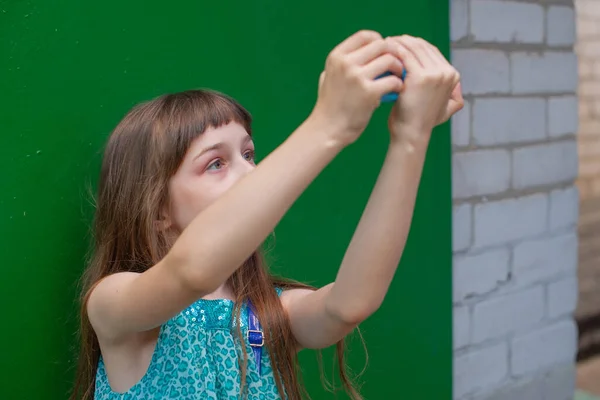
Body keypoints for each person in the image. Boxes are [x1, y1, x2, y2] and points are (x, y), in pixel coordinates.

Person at [70, 30, 463, 400]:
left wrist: (411, 136)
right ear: (157, 211)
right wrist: (330, 125)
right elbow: (190, 272)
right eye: (216, 163)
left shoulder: (266, 312)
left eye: (248, 154)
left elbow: (348, 306)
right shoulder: (113, 302)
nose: (250, 172)